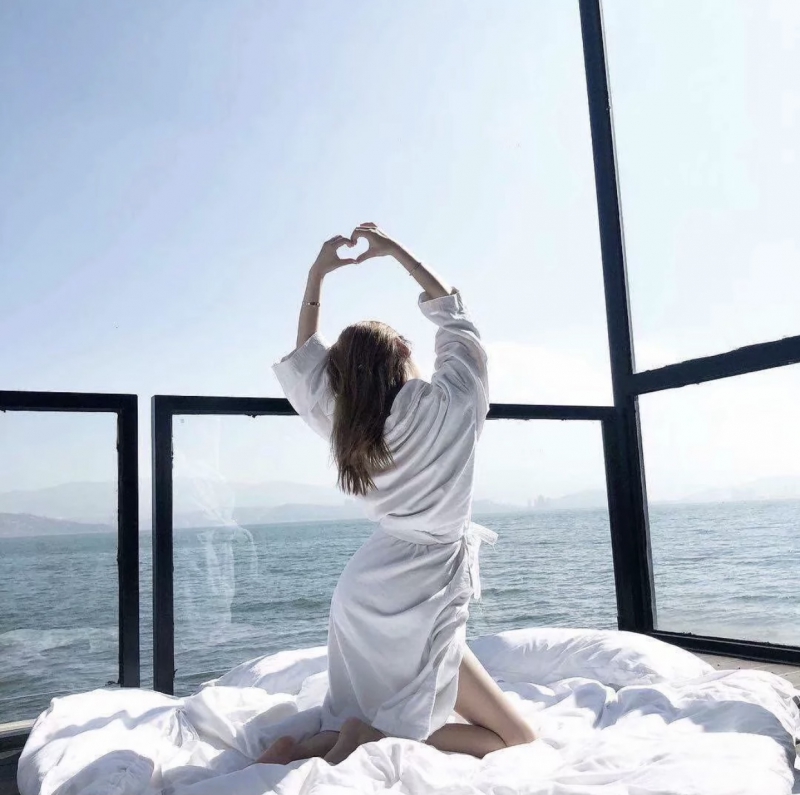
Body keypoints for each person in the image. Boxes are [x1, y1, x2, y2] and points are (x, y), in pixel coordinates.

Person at [258, 223, 535, 766]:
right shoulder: (453, 403)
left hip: (366, 588)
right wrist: (395, 252)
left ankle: (322, 744)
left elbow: (303, 355)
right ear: (405, 349)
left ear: (341, 377)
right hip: (427, 584)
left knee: (376, 710)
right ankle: (362, 739)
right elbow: (456, 318)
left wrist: (317, 275)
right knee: (517, 741)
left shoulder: (345, 423)